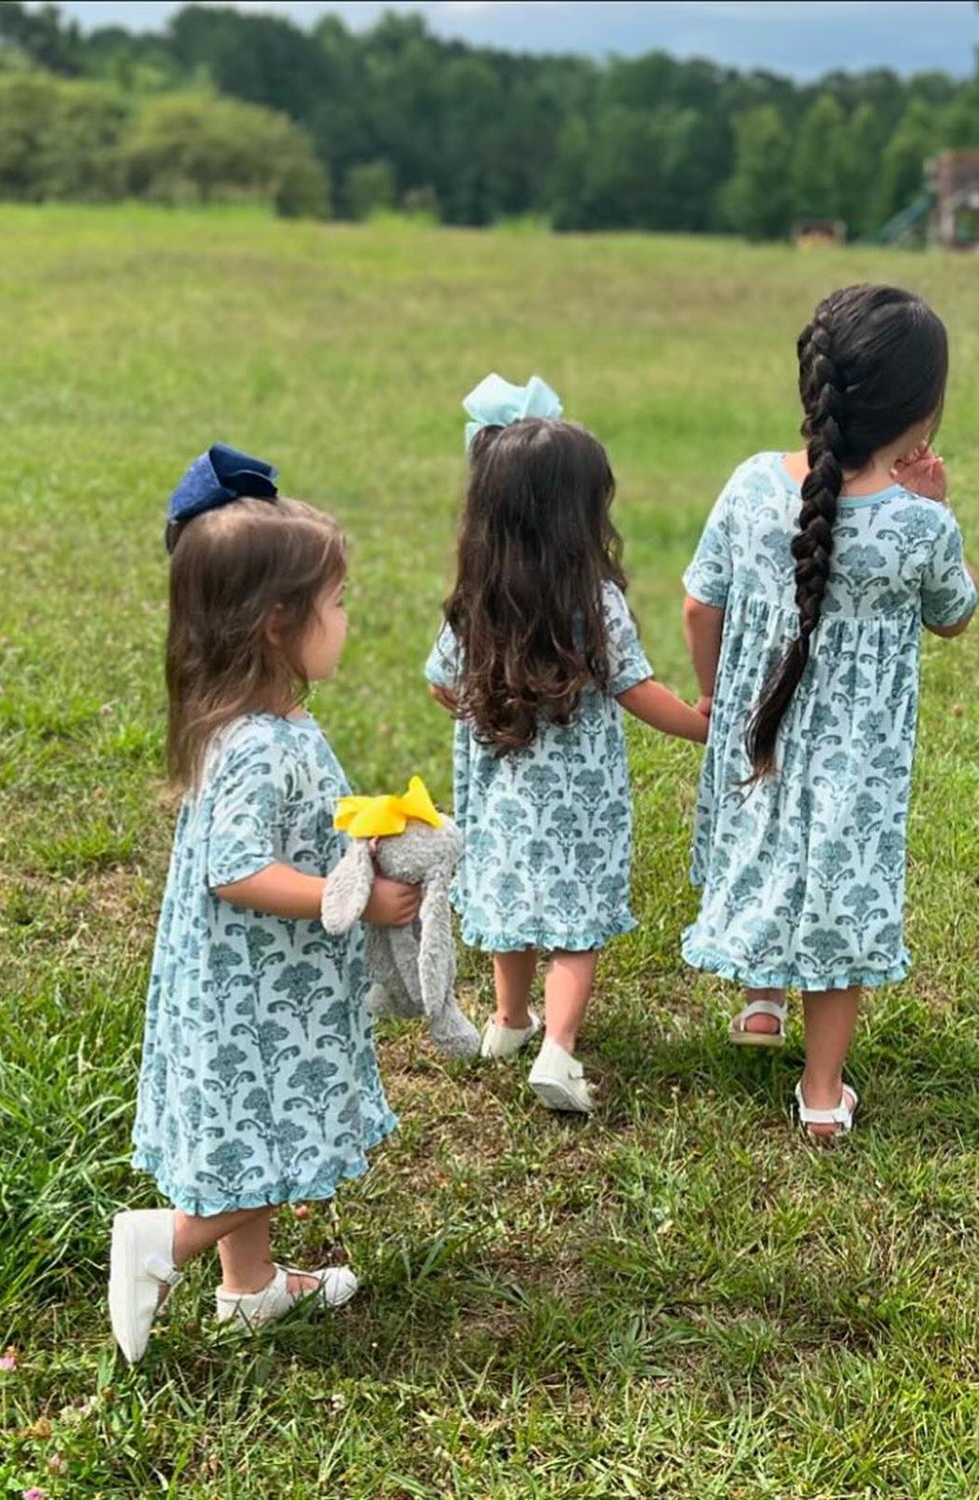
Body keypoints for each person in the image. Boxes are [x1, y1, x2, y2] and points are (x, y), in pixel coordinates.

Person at [109, 444, 416, 1363]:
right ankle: (164, 1243)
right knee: (285, 1139)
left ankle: (249, 1289)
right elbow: (237, 871)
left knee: (262, 1126)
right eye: (338, 600)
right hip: (259, 996)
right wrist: (353, 898)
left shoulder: (262, 722)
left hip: (264, 982)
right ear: (280, 622)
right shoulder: (254, 744)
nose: (348, 615)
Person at [681, 285, 978, 1140]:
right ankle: (819, 1095)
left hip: (758, 732)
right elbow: (954, 614)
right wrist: (936, 507)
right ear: (922, 411)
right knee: (838, 893)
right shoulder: (918, 525)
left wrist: (715, 692)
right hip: (859, 757)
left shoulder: (750, 485)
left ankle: (761, 999)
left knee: (766, 849)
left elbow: (702, 603)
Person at [427, 375, 709, 1115]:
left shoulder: (475, 601)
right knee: (575, 926)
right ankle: (557, 1049)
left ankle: (507, 1021)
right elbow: (635, 688)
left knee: (509, 905)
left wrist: (488, 704)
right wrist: (700, 721)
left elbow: (439, 684)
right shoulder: (595, 600)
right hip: (580, 803)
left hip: (501, 789)